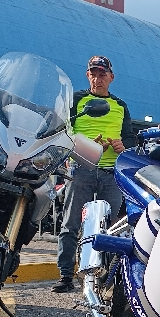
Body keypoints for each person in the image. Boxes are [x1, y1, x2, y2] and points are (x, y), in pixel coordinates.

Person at [52, 55, 135, 293]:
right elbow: (63, 129)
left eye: (102, 75)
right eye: (93, 74)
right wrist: (85, 144)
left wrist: (123, 145)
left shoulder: (120, 106)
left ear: (111, 77)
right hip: (81, 169)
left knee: (111, 227)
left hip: (111, 173)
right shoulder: (77, 100)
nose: (97, 79)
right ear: (88, 76)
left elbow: (130, 137)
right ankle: (65, 275)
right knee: (71, 223)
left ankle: (106, 275)